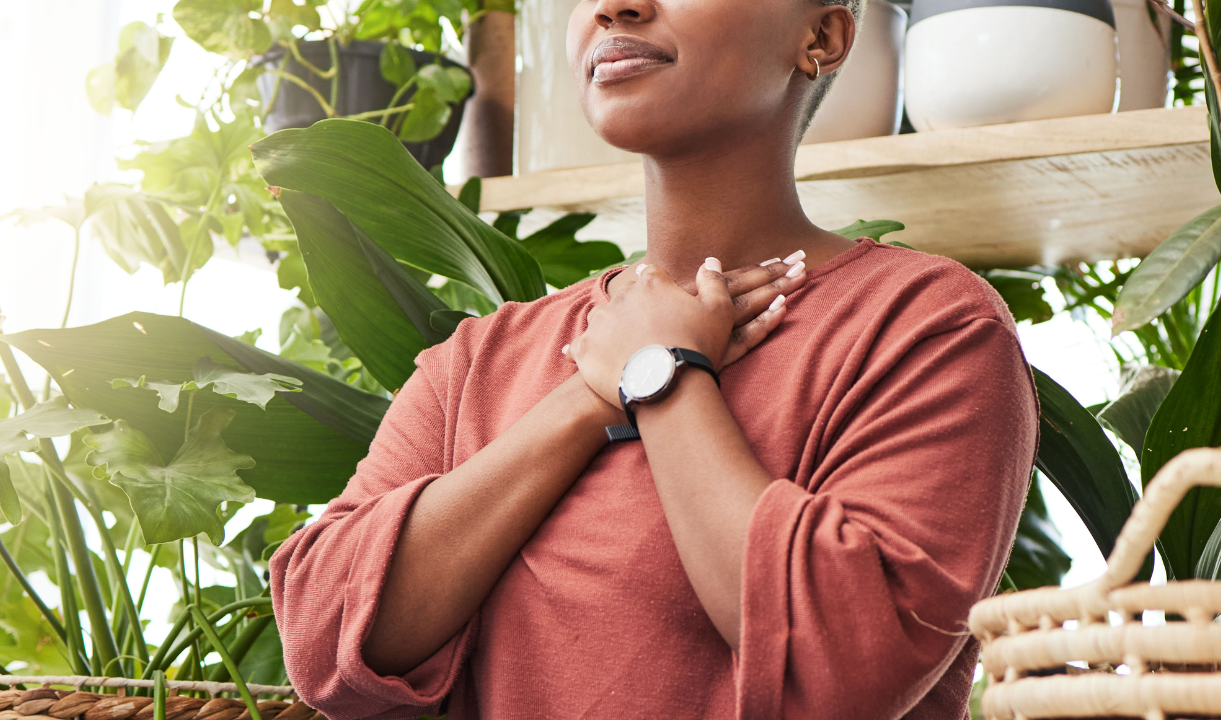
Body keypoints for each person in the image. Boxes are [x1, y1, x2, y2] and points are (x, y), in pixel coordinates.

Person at [268, 0, 1039, 717]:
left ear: (822, 39)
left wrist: (663, 376)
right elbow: (324, 633)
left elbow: (843, 665)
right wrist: (591, 396)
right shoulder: (482, 356)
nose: (615, 6)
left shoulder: (926, 329)